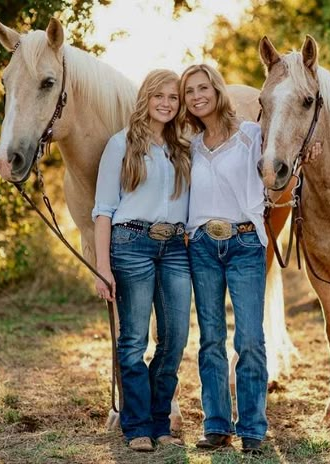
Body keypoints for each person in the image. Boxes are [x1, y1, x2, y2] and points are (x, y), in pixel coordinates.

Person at [92, 69, 191, 452]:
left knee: (175, 339)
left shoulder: (182, 146)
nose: (166, 104)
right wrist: (102, 268)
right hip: (130, 243)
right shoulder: (121, 145)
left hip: (176, 248)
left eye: (173, 98)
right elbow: (103, 210)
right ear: (146, 99)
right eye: (159, 96)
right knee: (133, 340)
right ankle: (137, 425)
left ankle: (159, 417)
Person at [178, 63, 270, 454]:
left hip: (244, 244)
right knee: (210, 339)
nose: (197, 96)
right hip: (201, 245)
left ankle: (252, 429)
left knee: (249, 339)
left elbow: (282, 164)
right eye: (189, 92)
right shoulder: (191, 146)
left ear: (216, 90)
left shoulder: (251, 136)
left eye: (203, 88)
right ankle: (216, 425)